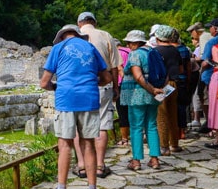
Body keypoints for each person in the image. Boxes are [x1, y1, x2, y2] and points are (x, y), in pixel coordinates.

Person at [40, 25, 112, 189]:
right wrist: (90, 83)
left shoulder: (58, 48)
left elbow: (44, 82)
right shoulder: (90, 48)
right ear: (78, 36)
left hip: (66, 100)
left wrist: (57, 87)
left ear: (62, 37)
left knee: (65, 145)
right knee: (88, 145)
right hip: (89, 99)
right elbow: (106, 78)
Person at [72, 11, 121, 179]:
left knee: (79, 126)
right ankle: (99, 165)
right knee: (102, 124)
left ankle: (81, 165)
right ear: (95, 22)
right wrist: (116, 87)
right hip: (102, 83)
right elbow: (114, 66)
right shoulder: (106, 35)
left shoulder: (75, 37)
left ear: (79, 23)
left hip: (80, 85)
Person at [120, 30, 165, 170]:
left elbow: (138, 77)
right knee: (151, 126)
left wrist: (150, 89)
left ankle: (136, 160)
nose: (128, 45)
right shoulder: (154, 52)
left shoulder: (135, 54)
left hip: (136, 95)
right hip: (154, 95)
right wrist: (157, 90)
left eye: (129, 42)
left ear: (134, 43)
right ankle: (154, 159)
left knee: (136, 127)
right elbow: (165, 72)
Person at [154, 25, 182, 155]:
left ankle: (164, 146)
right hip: (173, 84)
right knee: (172, 114)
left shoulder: (155, 51)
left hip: (161, 86)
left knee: (161, 115)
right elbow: (181, 69)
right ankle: (174, 144)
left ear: (157, 37)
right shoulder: (175, 50)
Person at [198, 17, 218, 132]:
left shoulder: (211, 42)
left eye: (210, 27)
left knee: (208, 100)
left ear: (215, 28)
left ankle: (212, 124)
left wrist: (200, 68)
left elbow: (205, 62)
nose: (210, 29)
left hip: (211, 76)